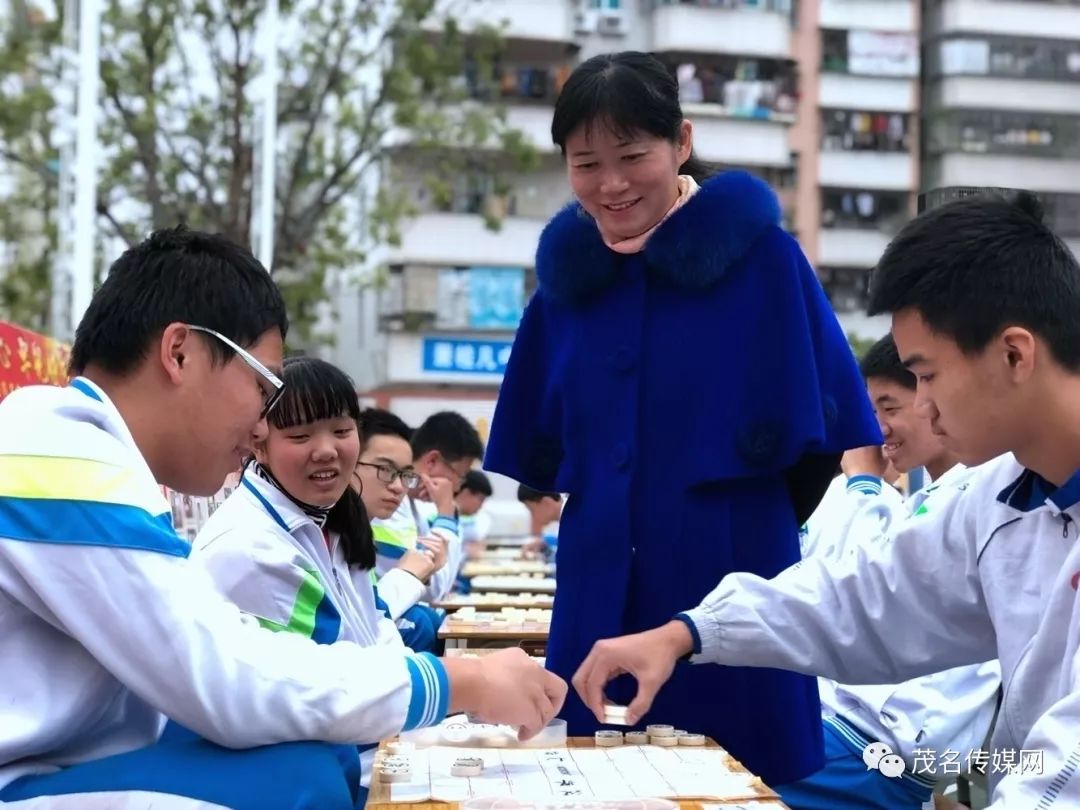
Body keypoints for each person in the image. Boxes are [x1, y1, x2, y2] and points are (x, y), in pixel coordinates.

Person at [0, 227, 566, 809]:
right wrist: (457, 682)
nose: (260, 423)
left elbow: (226, 651)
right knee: (302, 781)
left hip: (62, 766)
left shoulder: (83, 451)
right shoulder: (54, 449)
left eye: (342, 431)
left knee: (311, 763)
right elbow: (223, 675)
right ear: (180, 353)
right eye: (264, 386)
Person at [571, 191, 1080, 807]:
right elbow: (869, 596)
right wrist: (688, 632)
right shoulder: (999, 496)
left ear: (1014, 353)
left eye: (927, 376)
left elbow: (1064, 767)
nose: (920, 407)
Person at [484, 50, 881, 786]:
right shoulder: (565, 286)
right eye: (585, 163)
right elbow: (542, 460)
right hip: (597, 580)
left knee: (741, 781)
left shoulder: (763, 260)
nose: (611, 184)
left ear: (682, 142)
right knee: (600, 778)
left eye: (632, 155)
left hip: (731, 567)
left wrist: (739, 517)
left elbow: (820, 439)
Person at [190, 358, 444, 802]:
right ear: (259, 444)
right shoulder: (252, 549)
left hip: (360, 748)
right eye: (300, 436)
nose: (325, 450)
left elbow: (378, 630)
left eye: (341, 431)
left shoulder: (332, 522)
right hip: (311, 771)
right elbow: (328, 695)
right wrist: (456, 688)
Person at [781, 334, 1001, 810]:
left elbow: (862, 594)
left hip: (871, 747)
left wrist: (863, 482)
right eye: (870, 410)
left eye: (890, 407)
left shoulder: (974, 495)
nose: (876, 427)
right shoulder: (931, 499)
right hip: (855, 737)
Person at [371, 411, 484, 620]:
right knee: (424, 622)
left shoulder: (413, 507)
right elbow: (436, 589)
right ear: (432, 461)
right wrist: (446, 514)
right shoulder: (389, 507)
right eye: (460, 475)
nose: (459, 485)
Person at [518, 484, 564, 556]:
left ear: (546, 503)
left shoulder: (576, 522)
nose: (533, 516)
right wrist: (543, 543)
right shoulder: (567, 519)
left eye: (532, 510)